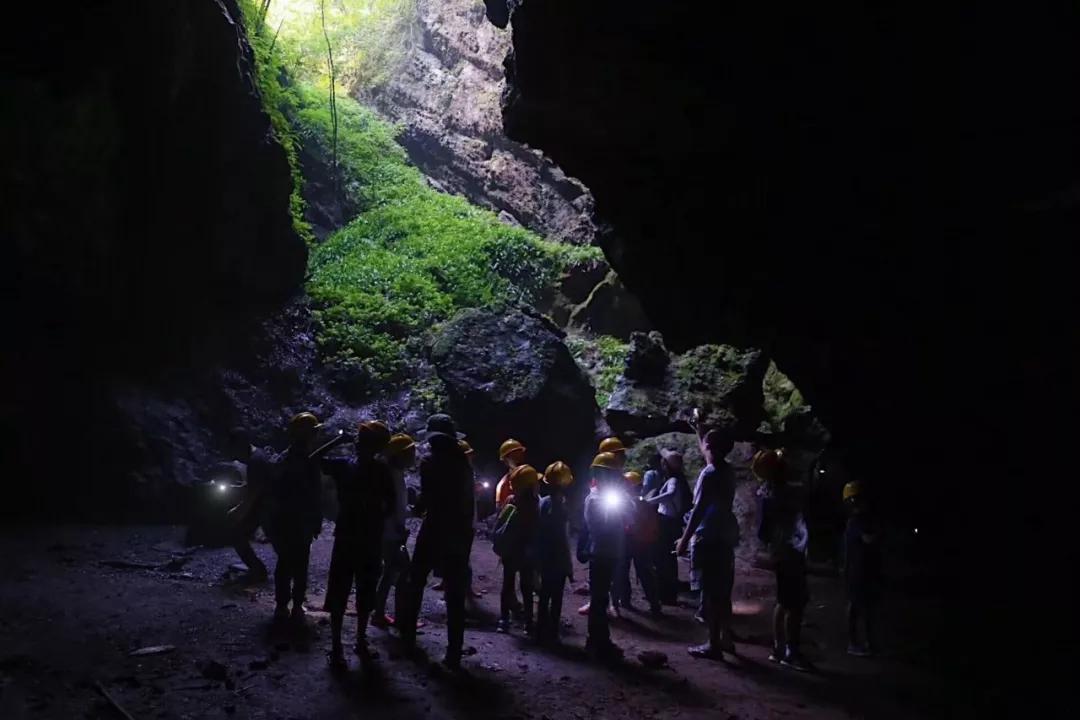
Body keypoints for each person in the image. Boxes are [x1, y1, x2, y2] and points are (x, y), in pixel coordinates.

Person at [314, 420, 395, 669]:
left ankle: (339, 646)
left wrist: (338, 441)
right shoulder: (381, 472)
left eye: (361, 438)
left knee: (343, 589)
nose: (358, 442)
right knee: (363, 589)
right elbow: (389, 506)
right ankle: (357, 642)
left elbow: (312, 459)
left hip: (349, 537)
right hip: (367, 538)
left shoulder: (345, 467)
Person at [398, 414, 475, 670]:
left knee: (416, 579)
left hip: (435, 528)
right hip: (460, 531)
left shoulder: (430, 462)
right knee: (455, 592)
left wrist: (414, 507)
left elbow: (427, 500)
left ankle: (408, 638)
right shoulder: (464, 463)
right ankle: (454, 651)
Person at [676, 429, 739, 660]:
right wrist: (698, 429)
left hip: (708, 537)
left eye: (704, 443)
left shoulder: (709, 474)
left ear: (709, 446)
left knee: (711, 594)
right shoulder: (727, 470)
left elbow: (699, 510)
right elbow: (709, 450)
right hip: (725, 536)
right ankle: (726, 639)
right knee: (723, 592)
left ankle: (713, 645)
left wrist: (684, 540)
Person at [757, 447, 813, 671]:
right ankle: (791, 652)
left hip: (781, 552)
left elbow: (762, 532)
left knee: (783, 600)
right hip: (790, 552)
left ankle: (778, 649)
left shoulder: (767, 494)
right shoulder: (784, 494)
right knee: (795, 603)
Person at [266, 412, 325, 623]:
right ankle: (294, 605)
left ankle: (284, 606)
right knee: (298, 564)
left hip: (288, 520)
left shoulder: (285, 458)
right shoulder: (304, 460)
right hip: (297, 520)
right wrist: (315, 520)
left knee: (286, 563)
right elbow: (313, 494)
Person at [580, 452, 632, 661]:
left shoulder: (607, 496)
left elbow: (630, 515)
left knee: (601, 598)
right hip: (601, 552)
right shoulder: (596, 499)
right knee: (599, 599)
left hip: (608, 552)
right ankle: (597, 642)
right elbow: (604, 527)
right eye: (609, 474)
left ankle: (598, 640)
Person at [371, 433, 417, 630]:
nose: (414, 456)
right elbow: (389, 508)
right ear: (400, 455)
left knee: (391, 574)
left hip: (392, 533)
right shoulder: (390, 476)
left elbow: (397, 508)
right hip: (390, 534)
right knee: (402, 574)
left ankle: (381, 613)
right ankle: (399, 619)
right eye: (410, 452)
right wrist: (402, 522)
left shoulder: (396, 474)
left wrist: (411, 513)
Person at [494, 464, 540, 635]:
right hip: (527, 553)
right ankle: (528, 623)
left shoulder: (510, 501)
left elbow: (499, 524)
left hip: (510, 551)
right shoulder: (536, 505)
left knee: (507, 584)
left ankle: (504, 620)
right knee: (527, 587)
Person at [224, 427, 274, 581]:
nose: (234, 454)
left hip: (265, 507)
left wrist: (238, 511)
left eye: (234, 448)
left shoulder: (255, 461)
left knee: (237, 534)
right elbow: (255, 485)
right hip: (265, 504)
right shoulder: (257, 455)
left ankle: (258, 571)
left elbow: (254, 493)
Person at [536, 461, 574, 645]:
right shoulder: (561, 507)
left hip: (544, 555)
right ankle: (551, 631)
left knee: (544, 593)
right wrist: (568, 565)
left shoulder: (542, 503)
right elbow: (563, 538)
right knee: (556, 596)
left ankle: (540, 629)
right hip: (557, 558)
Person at [646, 449, 691, 605]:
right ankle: (667, 593)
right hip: (671, 522)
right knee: (668, 559)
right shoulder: (678, 479)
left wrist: (649, 502)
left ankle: (666, 595)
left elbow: (670, 494)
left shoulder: (673, 480)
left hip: (667, 522)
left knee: (663, 559)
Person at [615, 470, 662, 615]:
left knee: (624, 570)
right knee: (644, 572)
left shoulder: (632, 502)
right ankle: (653, 603)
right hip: (641, 542)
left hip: (631, 541)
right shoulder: (643, 502)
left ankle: (626, 601)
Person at [842, 481, 880, 657]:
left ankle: (865, 642)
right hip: (857, 569)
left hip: (861, 568)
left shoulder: (858, 520)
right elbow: (868, 540)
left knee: (863, 607)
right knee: (857, 607)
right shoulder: (857, 521)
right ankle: (854, 643)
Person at [495, 438, 527, 509]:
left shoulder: (529, 474)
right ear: (506, 460)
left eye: (520, 454)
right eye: (515, 456)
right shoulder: (503, 484)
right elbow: (501, 512)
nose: (520, 458)